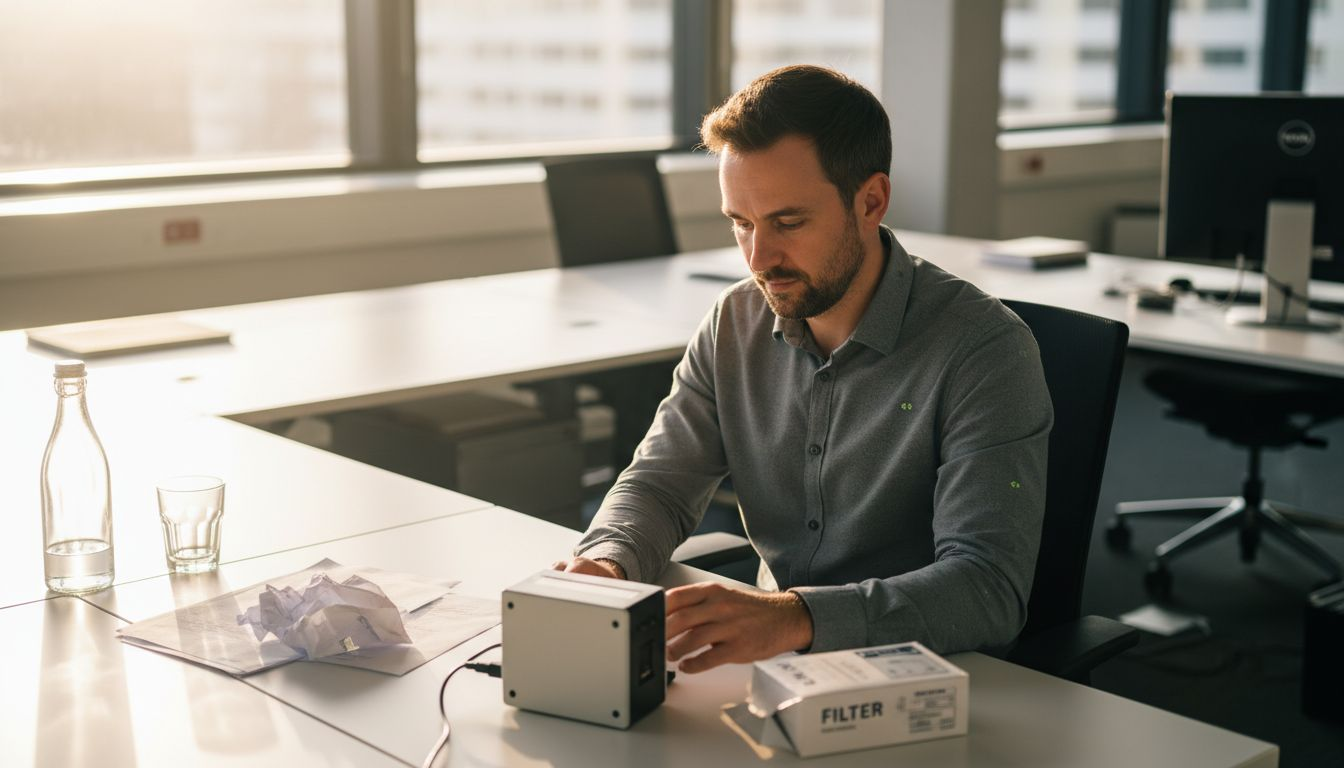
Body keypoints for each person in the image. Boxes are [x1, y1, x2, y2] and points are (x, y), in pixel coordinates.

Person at [554, 64, 1053, 674]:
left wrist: (794, 617)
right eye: (741, 223)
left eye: (788, 222)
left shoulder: (984, 350)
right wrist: (606, 562)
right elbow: (659, 483)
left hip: (931, 676)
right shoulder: (734, 322)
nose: (759, 258)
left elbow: (985, 589)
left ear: (871, 201)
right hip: (775, 661)